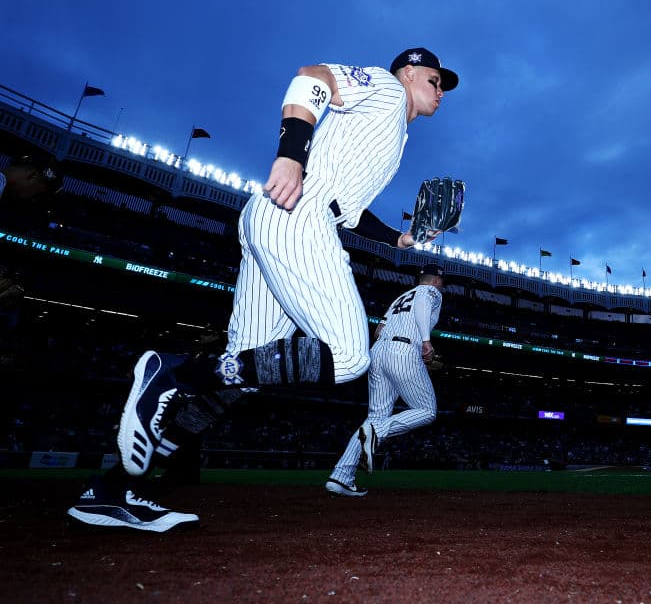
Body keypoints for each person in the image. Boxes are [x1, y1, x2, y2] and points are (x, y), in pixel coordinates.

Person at [67, 47, 459, 531]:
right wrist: (290, 156)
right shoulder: (384, 88)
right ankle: (172, 373)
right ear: (410, 72)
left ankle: (114, 489)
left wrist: (398, 239)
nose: (441, 91)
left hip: (286, 218)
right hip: (297, 214)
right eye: (436, 80)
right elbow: (311, 78)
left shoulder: (391, 129)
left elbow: (349, 211)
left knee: (240, 375)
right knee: (350, 356)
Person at [326, 263, 445, 496]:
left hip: (379, 351)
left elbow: (378, 330)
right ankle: (376, 433)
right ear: (435, 280)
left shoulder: (399, 298)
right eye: (441, 281)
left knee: (375, 417)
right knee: (427, 410)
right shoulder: (430, 291)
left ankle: (340, 477)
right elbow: (422, 305)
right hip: (403, 350)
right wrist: (425, 341)